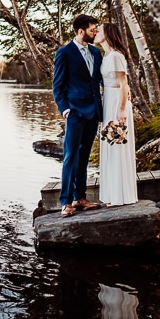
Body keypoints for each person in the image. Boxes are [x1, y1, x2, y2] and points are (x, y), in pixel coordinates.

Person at [52, 14, 103, 217]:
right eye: (92, 30)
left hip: (93, 112)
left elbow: (98, 81)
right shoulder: (64, 53)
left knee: (83, 157)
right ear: (81, 31)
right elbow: (58, 86)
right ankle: (65, 202)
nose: (95, 33)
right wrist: (65, 109)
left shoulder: (96, 52)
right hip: (74, 112)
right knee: (70, 157)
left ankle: (80, 198)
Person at [94, 22, 137, 206]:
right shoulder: (107, 56)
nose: (95, 32)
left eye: (99, 30)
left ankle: (121, 195)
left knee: (117, 143)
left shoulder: (116, 56)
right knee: (110, 145)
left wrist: (121, 110)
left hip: (117, 102)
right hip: (109, 99)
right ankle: (112, 193)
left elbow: (123, 83)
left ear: (108, 34)